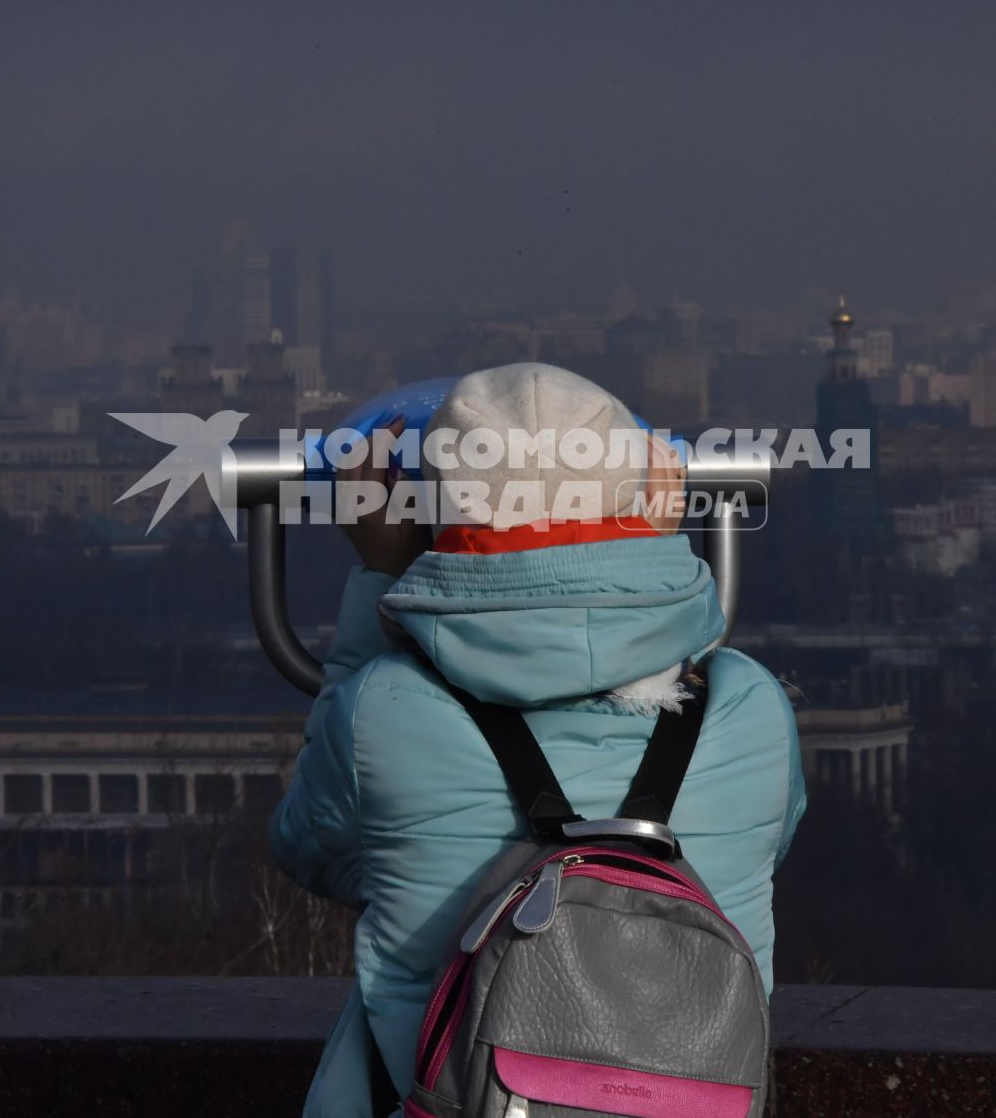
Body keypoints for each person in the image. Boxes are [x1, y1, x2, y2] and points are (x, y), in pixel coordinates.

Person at [269, 362, 806, 1118]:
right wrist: (658, 558)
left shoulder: (384, 714)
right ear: (649, 493)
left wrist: (378, 582)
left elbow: (306, 849)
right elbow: (759, 852)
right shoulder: (749, 710)